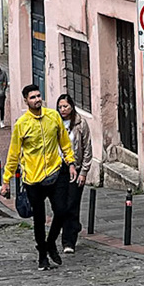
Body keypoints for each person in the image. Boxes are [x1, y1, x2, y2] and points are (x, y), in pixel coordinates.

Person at [3, 84, 74, 270]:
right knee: (39, 219)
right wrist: (6, 179)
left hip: (55, 172)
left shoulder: (53, 117)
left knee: (62, 211)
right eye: (32, 97)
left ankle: (51, 243)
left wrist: (71, 162)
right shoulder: (21, 124)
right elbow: (14, 153)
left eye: (38, 96)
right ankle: (42, 255)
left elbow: (64, 141)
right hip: (33, 179)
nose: (37, 99)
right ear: (26, 100)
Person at [53, 91, 95, 255]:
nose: (63, 109)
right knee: (60, 205)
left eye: (65, 106)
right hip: (57, 169)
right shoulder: (54, 123)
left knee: (72, 203)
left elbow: (87, 149)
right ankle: (74, 225)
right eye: (60, 107)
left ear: (71, 107)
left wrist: (84, 171)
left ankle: (68, 240)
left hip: (75, 168)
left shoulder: (80, 124)